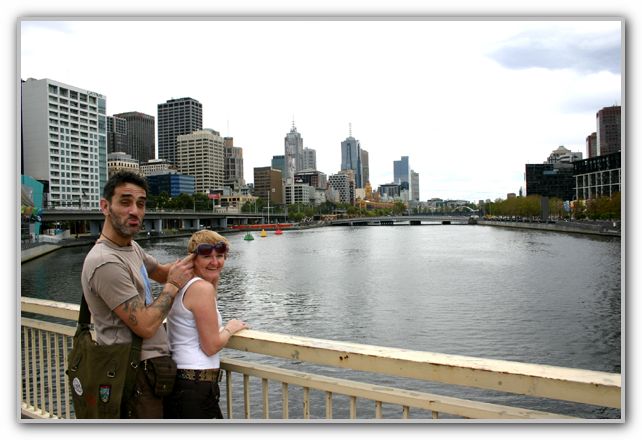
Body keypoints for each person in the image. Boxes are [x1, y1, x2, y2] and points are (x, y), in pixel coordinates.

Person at [81, 170, 194, 419]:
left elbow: (163, 272)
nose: (135, 211)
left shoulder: (131, 247)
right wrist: (173, 287)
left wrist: (202, 255)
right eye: (125, 202)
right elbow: (144, 324)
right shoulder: (105, 262)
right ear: (105, 206)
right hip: (133, 377)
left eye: (141, 204)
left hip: (152, 371)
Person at [164, 230, 249, 419]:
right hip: (195, 386)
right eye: (207, 257)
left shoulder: (184, 284)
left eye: (219, 256)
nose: (215, 262)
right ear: (192, 258)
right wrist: (230, 328)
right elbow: (211, 346)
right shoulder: (201, 289)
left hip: (182, 383)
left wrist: (213, 280)